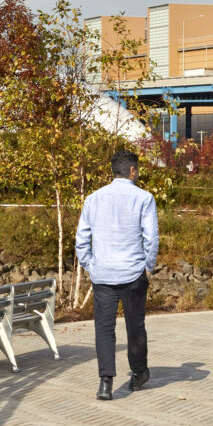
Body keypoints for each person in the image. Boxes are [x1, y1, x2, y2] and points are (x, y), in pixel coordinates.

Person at [75, 146, 159, 400]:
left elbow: (82, 239)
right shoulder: (144, 198)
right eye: (137, 170)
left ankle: (105, 383)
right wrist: (148, 267)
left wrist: (90, 265)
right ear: (132, 171)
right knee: (135, 326)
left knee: (104, 328)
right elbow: (151, 238)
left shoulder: (93, 199)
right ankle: (138, 373)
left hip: (102, 274)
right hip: (133, 272)